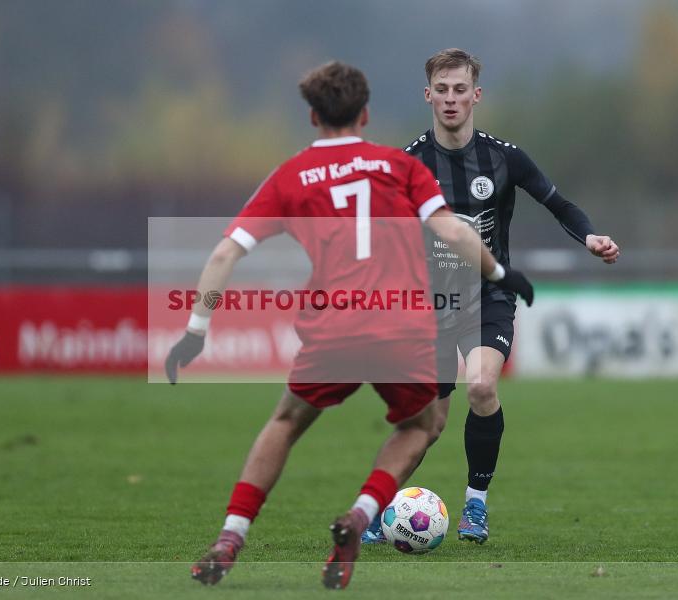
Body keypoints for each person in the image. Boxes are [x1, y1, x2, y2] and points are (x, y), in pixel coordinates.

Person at [165, 61, 535, 589]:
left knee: (287, 423)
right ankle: (362, 516)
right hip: (401, 325)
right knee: (422, 425)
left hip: (333, 326)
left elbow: (226, 252)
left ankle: (230, 537)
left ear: (313, 115)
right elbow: (452, 230)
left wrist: (196, 330)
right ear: (365, 114)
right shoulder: (397, 165)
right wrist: (501, 272)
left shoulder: (290, 177)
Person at [361, 48, 620, 547]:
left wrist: (588, 237)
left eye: (461, 90)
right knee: (426, 425)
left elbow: (559, 203)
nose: (452, 99)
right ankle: (374, 508)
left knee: (481, 386)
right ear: (428, 95)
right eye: (443, 90)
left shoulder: (505, 157)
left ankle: (475, 506)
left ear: (476, 95)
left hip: (489, 298)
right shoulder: (407, 163)